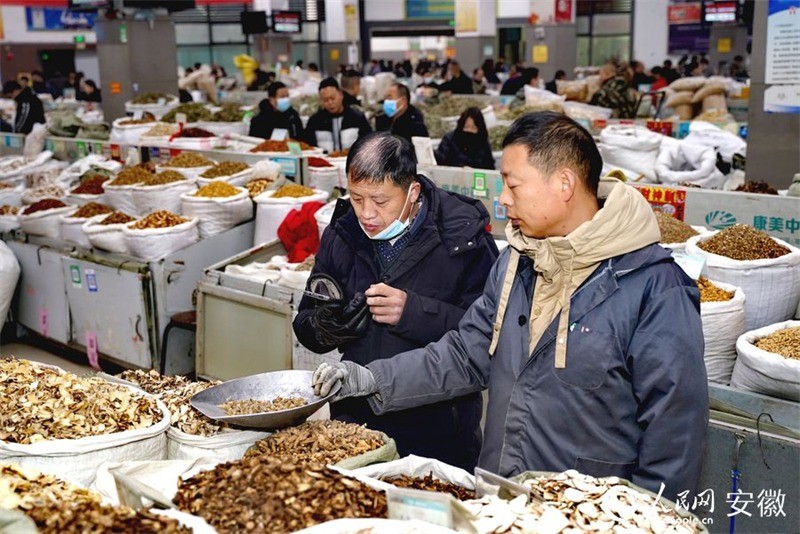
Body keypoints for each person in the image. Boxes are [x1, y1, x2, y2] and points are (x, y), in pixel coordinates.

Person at [311, 112, 709, 501]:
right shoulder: (517, 262)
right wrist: (371, 379)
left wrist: (651, 519)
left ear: (564, 184)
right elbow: (464, 355)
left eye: (512, 185)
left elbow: (675, 431)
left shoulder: (653, 287)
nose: (502, 199)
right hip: (503, 498)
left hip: (589, 514)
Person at [294, 131, 498, 470]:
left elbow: (489, 338)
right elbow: (305, 324)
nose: (367, 214)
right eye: (357, 198)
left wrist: (414, 312)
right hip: (354, 426)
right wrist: (328, 326)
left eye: (380, 200)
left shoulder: (464, 240)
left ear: (412, 191)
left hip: (438, 431)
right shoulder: (341, 234)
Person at [303, 77, 372, 152]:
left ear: (341, 95)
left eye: (333, 98)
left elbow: (368, 143)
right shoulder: (315, 121)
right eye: (325, 100)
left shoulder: (357, 117)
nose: (330, 103)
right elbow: (309, 147)